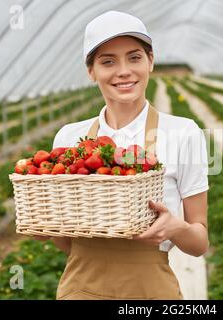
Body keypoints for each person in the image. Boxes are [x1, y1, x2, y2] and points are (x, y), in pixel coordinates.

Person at [33, 10, 209, 300]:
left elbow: (200, 243)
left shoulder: (183, 133)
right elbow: (65, 240)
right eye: (108, 61)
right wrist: (46, 227)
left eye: (135, 57)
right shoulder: (68, 138)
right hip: (80, 288)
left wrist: (175, 227)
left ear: (151, 61)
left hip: (152, 291)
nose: (124, 70)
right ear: (91, 72)